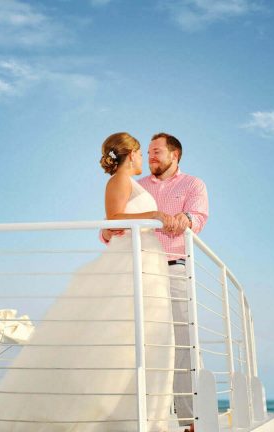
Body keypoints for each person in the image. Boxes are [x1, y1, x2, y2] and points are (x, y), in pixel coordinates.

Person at [0, 132, 177, 431]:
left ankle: (141, 415)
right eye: (140, 153)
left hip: (146, 260)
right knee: (122, 335)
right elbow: (114, 217)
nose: (143, 159)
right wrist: (155, 214)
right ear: (131, 154)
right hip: (131, 259)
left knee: (147, 338)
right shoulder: (119, 180)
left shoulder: (129, 183)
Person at [103, 132, 209, 432]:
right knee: (138, 342)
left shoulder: (193, 184)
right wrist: (108, 232)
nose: (150, 157)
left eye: (157, 152)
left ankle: (189, 420)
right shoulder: (137, 183)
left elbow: (198, 218)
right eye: (147, 152)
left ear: (174, 155)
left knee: (182, 343)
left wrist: (183, 219)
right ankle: (140, 417)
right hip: (139, 269)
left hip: (174, 266)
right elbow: (113, 220)